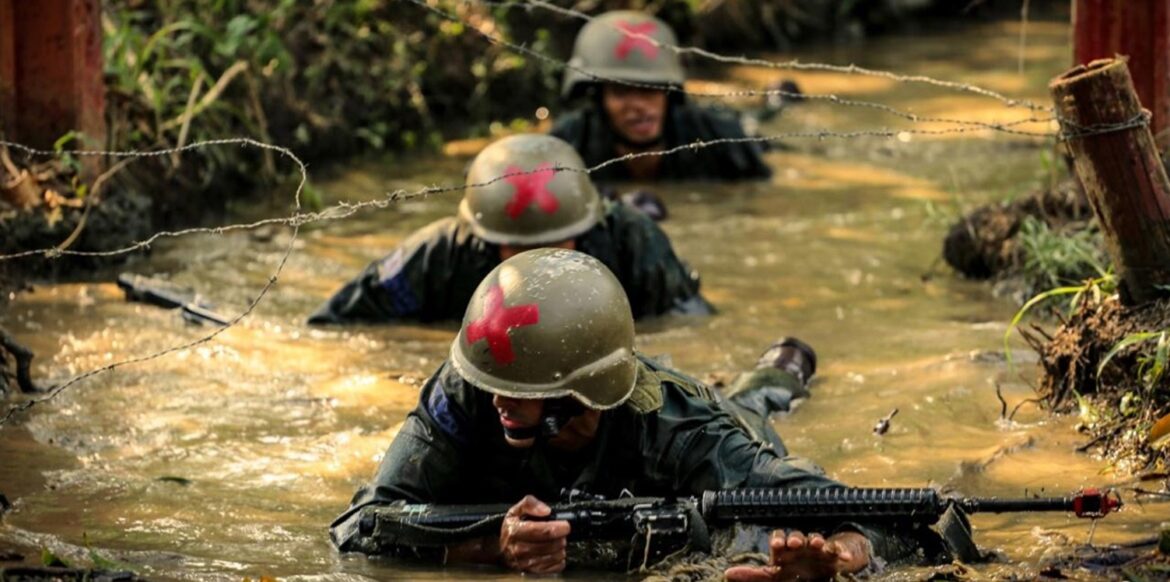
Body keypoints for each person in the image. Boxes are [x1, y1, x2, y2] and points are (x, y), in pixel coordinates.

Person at [331, 249, 923, 580]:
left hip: (711, 416)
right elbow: (359, 525)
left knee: (752, 403)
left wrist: (848, 557)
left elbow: (901, 522)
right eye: (491, 384)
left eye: (523, 389)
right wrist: (489, 547)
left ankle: (781, 372)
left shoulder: (682, 429)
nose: (497, 401)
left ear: (582, 396)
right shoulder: (469, 385)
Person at [307, 134, 712, 325]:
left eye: (558, 243)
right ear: (486, 240)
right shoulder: (439, 254)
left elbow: (688, 323)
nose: (541, 262)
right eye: (518, 248)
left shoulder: (631, 239)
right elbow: (336, 322)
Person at [550, 11, 774, 183]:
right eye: (621, 92)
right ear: (599, 99)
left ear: (669, 94)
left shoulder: (720, 139)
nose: (638, 105)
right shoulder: (570, 144)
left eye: (649, 90)